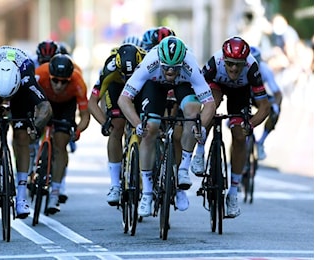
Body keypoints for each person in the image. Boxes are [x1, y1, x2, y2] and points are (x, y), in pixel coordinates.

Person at [117, 36, 216, 217]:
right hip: (154, 86)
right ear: (159, 60)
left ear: (182, 62)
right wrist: (138, 124)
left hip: (183, 85)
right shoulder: (150, 62)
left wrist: (201, 127)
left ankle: (183, 170)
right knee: (151, 128)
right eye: (166, 67)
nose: (170, 71)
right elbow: (123, 99)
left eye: (175, 68)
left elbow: (209, 104)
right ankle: (147, 192)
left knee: (193, 114)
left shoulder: (190, 64)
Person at [0, 45, 53, 219]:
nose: (6, 102)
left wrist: (36, 125)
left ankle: (21, 198)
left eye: (8, 99)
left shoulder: (26, 76)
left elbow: (45, 107)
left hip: (20, 92)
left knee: (21, 137)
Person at [191, 36, 270, 218]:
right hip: (216, 86)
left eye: (238, 64)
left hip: (241, 92)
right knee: (211, 106)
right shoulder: (214, 62)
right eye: (230, 63)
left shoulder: (252, 68)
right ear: (223, 60)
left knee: (240, 136)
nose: (234, 68)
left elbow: (265, 107)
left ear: (245, 62)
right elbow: (199, 92)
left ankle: (233, 193)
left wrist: (249, 125)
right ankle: (200, 153)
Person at [88, 43, 146, 206]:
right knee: (116, 125)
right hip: (116, 88)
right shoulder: (110, 69)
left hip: (141, 87)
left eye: (130, 75)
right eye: (124, 75)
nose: (127, 78)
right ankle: (115, 185)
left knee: (146, 123)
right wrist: (104, 123)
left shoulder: (147, 64)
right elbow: (92, 102)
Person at [35, 53, 90, 214]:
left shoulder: (78, 82)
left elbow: (85, 115)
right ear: (49, 76)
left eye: (63, 82)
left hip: (66, 106)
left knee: (60, 143)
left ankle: (55, 192)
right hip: (45, 100)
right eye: (55, 80)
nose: (59, 85)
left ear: (70, 79)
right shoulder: (40, 74)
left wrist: (78, 130)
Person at [249, 46, 283, 160]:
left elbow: (277, 93)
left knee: (274, 111)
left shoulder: (265, 70)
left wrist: (275, 107)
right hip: (244, 93)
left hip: (258, 95)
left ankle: (261, 142)